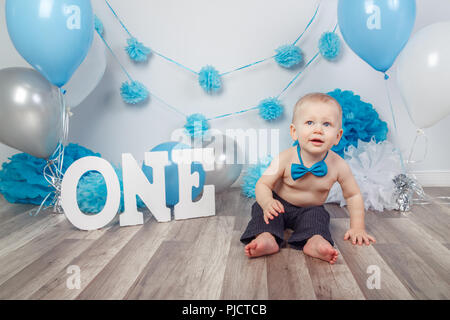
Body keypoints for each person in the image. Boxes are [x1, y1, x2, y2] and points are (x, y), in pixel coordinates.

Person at [241, 93, 376, 264]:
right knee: (261, 212)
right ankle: (266, 237)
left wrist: (357, 227)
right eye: (310, 123)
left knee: (318, 219)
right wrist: (268, 202)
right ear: (294, 132)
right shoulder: (284, 158)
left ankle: (315, 242)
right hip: (278, 204)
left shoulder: (339, 165)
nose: (318, 129)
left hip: (310, 209)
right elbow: (263, 184)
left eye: (326, 124)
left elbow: (353, 195)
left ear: (337, 136)